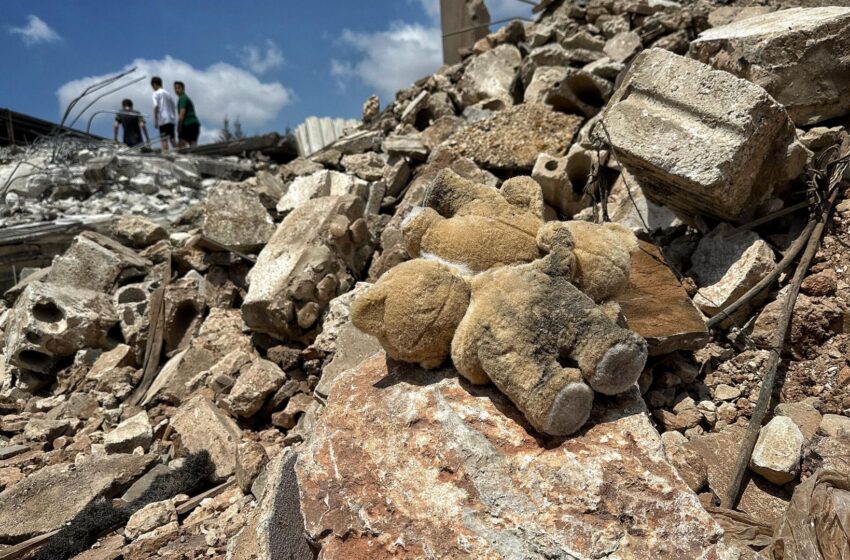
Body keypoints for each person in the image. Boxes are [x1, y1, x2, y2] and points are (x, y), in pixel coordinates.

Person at [150, 76, 177, 152]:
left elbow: (156, 106)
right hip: (171, 119)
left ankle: (166, 156)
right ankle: (179, 155)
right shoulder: (168, 93)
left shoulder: (155, 93)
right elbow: (173, 106)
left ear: (155, 84)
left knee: (164, 139)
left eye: (152, 86)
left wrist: (156, 121)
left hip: (163, 119)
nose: (152, 88)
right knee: (172, 139)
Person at [173, 81, 201, 147]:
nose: (177, 90)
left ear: (183, 88)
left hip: (187, 124)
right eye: (175, 88)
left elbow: (182, 112)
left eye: (178, 88)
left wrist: (179, 126)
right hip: (194, 124)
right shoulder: (186, 98)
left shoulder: (182, 98)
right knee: (193, 146)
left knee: (181, 147)